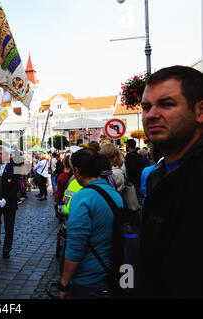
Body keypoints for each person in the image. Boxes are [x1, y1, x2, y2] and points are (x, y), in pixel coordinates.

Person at [138, 65, 203, 298]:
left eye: (167, 104)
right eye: (146, 107)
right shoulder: (158, 174)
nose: (152, 114)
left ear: (200, 111)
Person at [59, 148, 123, 299]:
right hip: (111, 271)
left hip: (88, 279)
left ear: (77, 171)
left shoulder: (82, 197)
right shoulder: (114, 193)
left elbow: (75, 245)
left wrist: (64, 283)